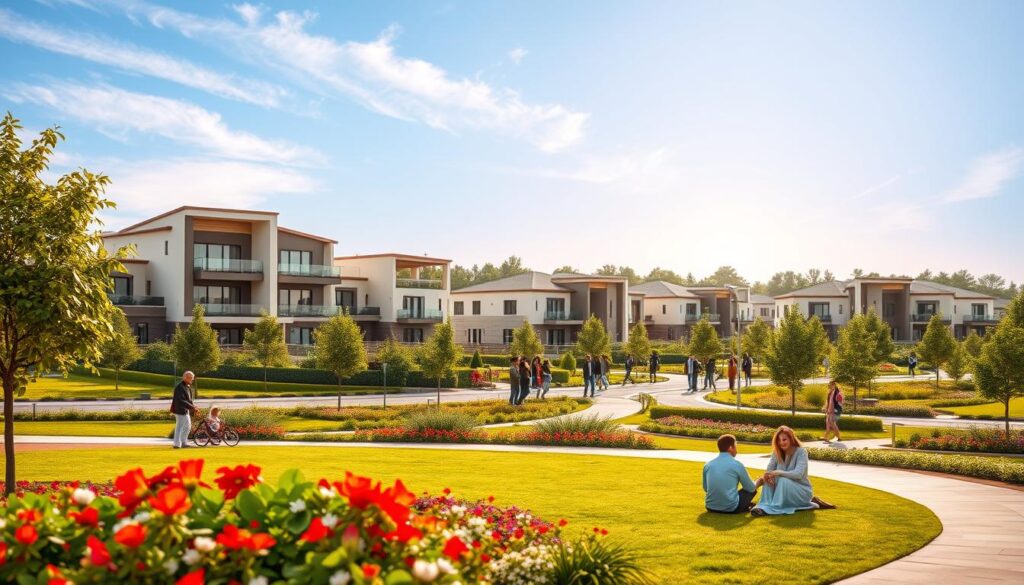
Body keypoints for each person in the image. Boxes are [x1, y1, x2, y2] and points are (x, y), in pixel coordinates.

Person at [752, 426, 835, 516]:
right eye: (779, 441)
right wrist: (767, 476)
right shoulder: (776, 453)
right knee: (768, 479)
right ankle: (763, 506)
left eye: (784, 440)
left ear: (791, 439)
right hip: (782, 489)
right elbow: (769, 470)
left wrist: (779, 472)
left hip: (801, 491)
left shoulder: (801, 452)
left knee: (783, 480)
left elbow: (798, 474)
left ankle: (773, 508)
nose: (781, 443)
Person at [703, 434, 763, 514]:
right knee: (750, 488)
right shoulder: (737, 464)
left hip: (710, 507)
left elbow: (706, 488)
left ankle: (746, 506)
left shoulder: (708, 465)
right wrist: (760, 481)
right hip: (731, 508)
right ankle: (745, 506)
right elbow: (751, 488)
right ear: (730, 448)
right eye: (735, 446)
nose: (736, 449)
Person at [171, 371, 197, 449]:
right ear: (186, 378)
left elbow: (189, 400)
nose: (192, 380)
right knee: (180, 427)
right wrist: (192, 407)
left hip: (185, 410)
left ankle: (183, 442)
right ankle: (177, 444)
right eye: (191, 378)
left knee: (187, 426)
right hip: (180, 410)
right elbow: (181, 400)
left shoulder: (187, 386)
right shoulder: (180, 387)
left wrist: (193, 407)